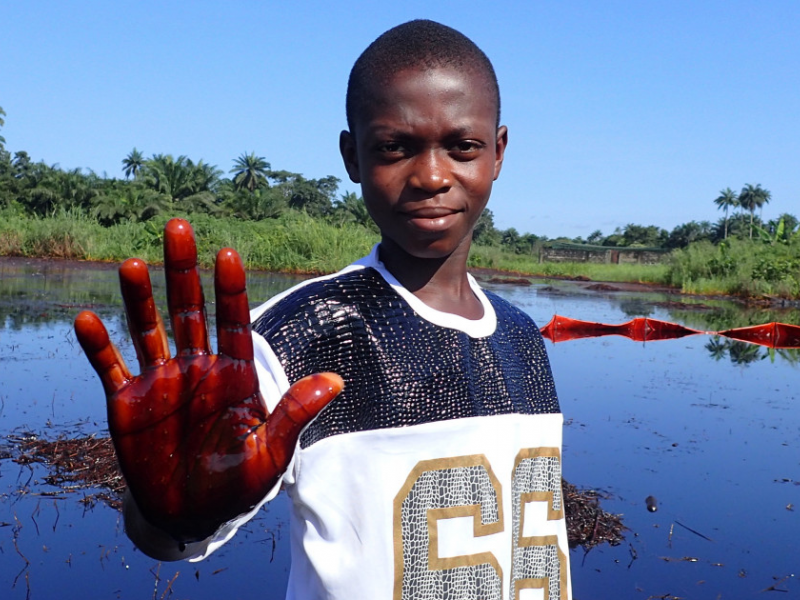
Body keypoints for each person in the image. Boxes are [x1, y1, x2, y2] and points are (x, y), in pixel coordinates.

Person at [75, 19, 572, 600]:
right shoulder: (298, 335)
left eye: (462, 146)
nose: (432, 176)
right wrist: (167, 510)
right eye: (394, 148)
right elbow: (170, 533)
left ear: (498, 152)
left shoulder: (523, 338)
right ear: (352, 156)